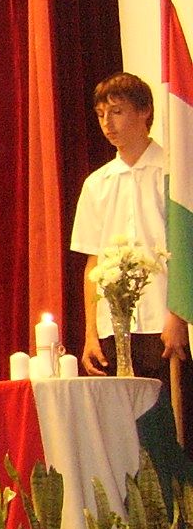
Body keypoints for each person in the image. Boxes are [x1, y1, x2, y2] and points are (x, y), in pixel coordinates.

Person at [71, 72, 188, 386]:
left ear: (144, 110)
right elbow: (94, 264)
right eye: (101, 114)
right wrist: (91, 333)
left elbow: (184, 249)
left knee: (170, 411)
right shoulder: (96, 183)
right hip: (114, 327)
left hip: (163, 321)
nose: (107, 123)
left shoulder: (173, 174)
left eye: (117, 112)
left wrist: (178, 315)